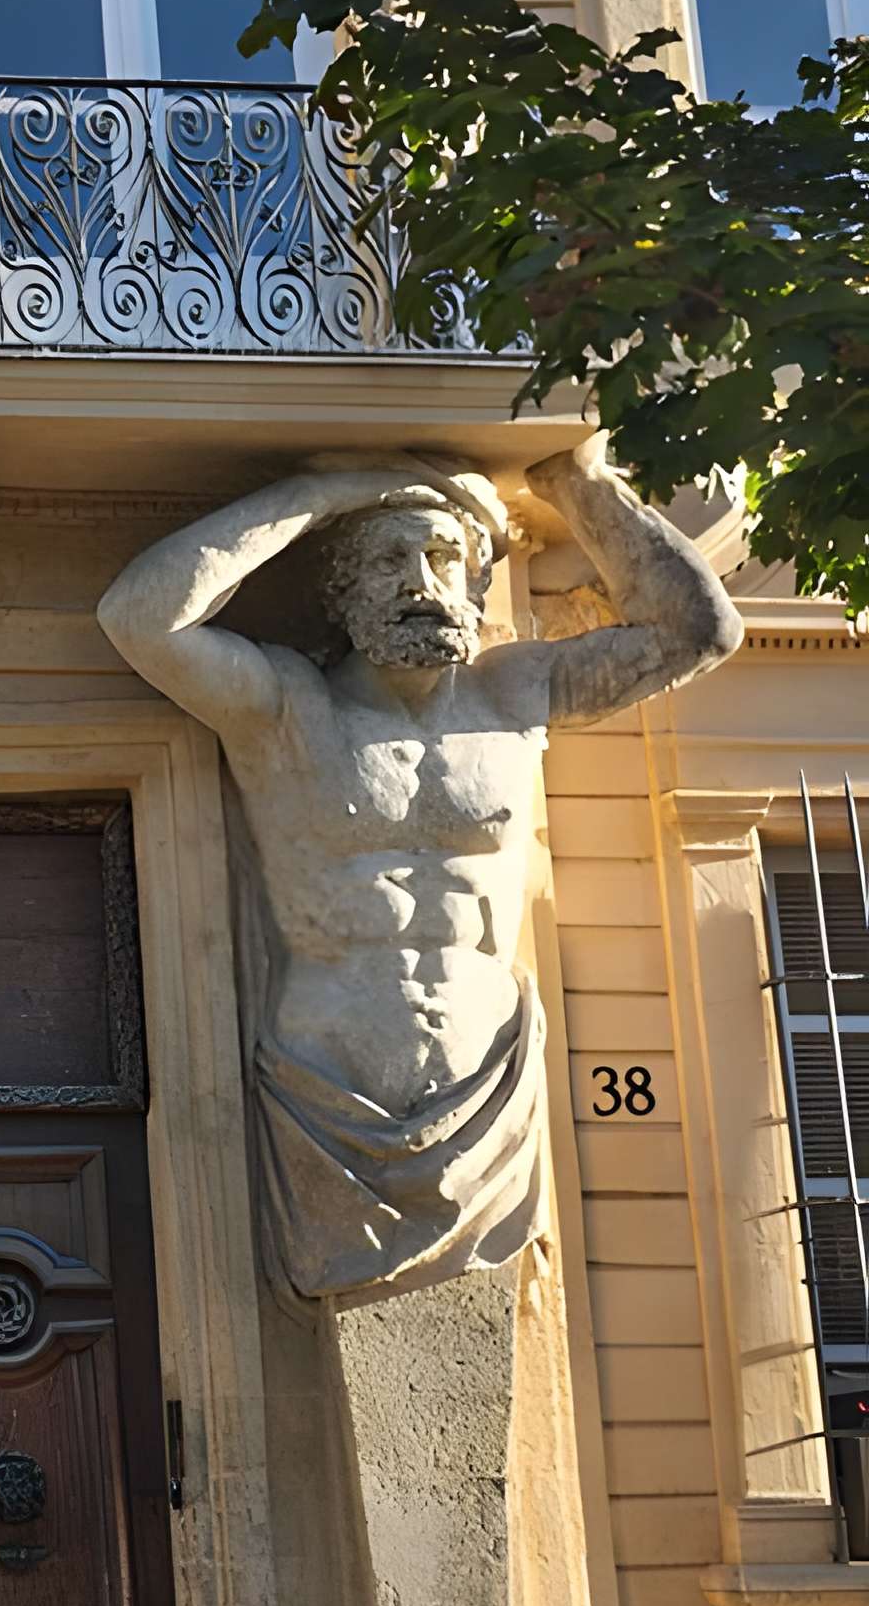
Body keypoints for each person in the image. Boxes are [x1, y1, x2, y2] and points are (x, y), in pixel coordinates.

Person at [96, 438, 741, 1296]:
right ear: (341, 587)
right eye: (389, 558)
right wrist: (315, 497)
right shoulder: (288, 705)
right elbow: (138, 617)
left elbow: (700, 631)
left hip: (488, 1094)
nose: (421, 583)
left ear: (478, 584)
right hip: (328, 1101)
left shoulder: (516, 696)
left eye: (444, 558)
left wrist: (575, 481)